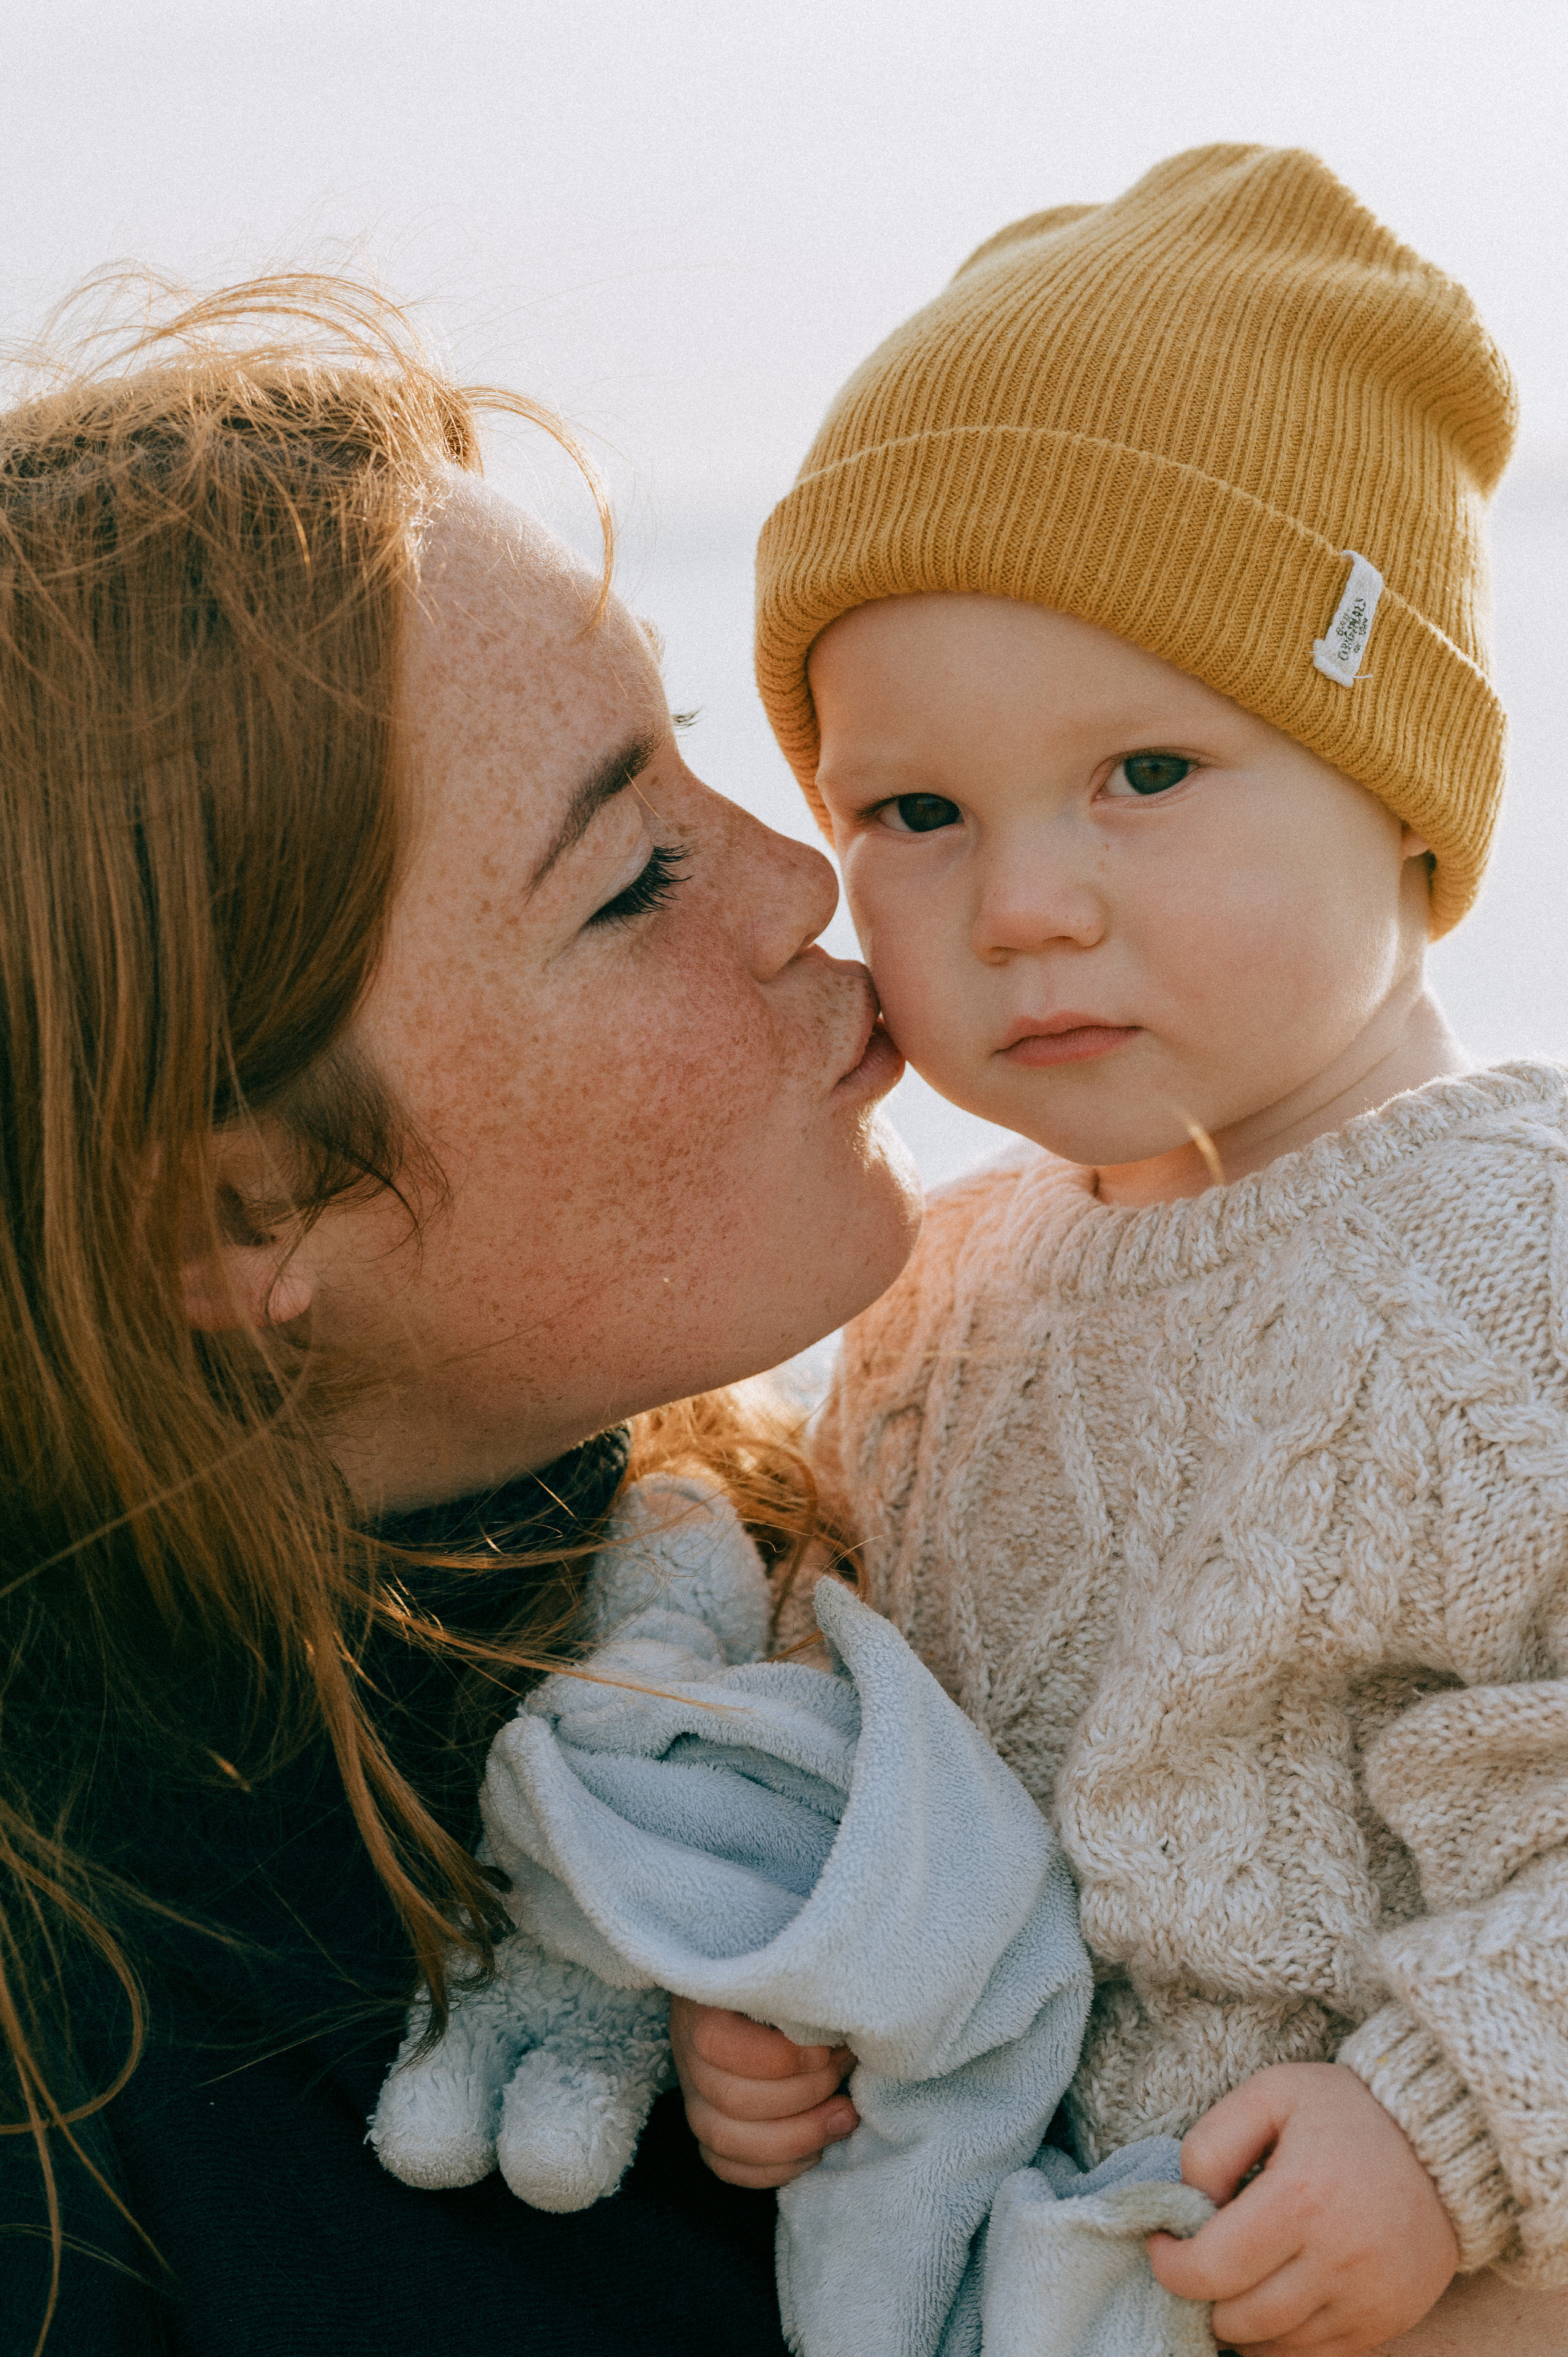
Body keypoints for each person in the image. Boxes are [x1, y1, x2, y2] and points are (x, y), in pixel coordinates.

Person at [669, 146, 1568, 2355]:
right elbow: (874, 1757)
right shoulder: (929, 1307)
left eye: (1146, 770)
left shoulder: (1502, 1256)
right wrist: (785, 1981)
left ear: (1406, 789)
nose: (1026, 903)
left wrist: (1451, 2123)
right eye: (918, 813)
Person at [0, 279, 918, 2355]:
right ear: (233, 1218)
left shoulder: (883, 1565)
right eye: (631, 878)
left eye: (702, 766)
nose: (805, 885)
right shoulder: (90, 2144)